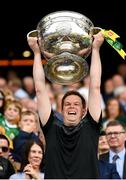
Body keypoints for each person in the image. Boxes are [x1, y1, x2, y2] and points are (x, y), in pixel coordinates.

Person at [27, 31, 104, 178]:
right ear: (61, 110)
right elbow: (39, 89)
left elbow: (95, 86)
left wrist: (95, 49)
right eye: (67, 104)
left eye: (76, 104)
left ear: (84, 111)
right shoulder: (51, 127)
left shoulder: (91, 126)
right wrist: (36, 53)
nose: (71, 106)